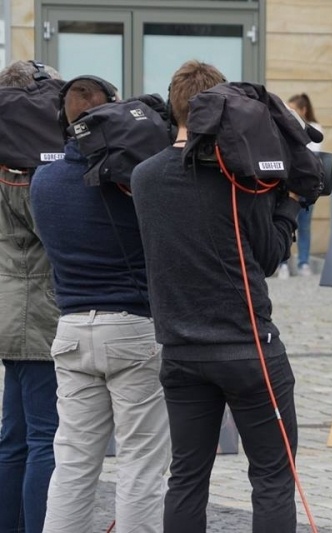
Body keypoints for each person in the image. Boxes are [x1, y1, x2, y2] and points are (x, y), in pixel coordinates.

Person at [131, 60, 301, 533]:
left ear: (174, 109)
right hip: (248, 349)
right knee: (272, 477)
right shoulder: (239, 177)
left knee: (186, 477)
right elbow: (268, 256)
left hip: (181, 353)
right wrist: (289, 204)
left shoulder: (144, 177)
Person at [29, 75, 170, 533]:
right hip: (133, 326)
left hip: (71, 330)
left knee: (72, 462)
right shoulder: (134, 181)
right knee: (141, 463)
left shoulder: (44, 181)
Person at [0, 60, 61, 533]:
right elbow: (54, 238)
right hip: (38, 313)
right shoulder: (29, 173)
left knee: (14, 438)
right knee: (44, 437)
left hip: (10, 312)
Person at [277, 92, 324, 279]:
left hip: (306, 184)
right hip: (289, 183)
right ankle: (283, 264)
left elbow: (308, 154)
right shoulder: (284, 128)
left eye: (293, 110)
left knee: (304, 226)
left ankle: (303, 262)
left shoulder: (314, 128)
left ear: (303, 110)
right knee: (284, 223)